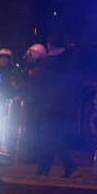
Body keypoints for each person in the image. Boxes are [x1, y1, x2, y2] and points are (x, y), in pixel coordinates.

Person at [30, 35, 79, 178]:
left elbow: (37, 87)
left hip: (48, 106)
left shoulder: (43, 64)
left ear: (49, 46)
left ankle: (70, 167)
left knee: (51, 138)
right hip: (66, 106)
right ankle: (44, 170)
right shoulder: (71, 62)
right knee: (53, 137)